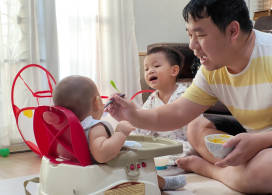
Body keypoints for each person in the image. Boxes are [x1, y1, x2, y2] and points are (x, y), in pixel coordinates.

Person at [107, 0, 272, 194]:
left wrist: (261, 141)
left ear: (233, 30)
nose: (192, 45)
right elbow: (176, 113)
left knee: (266, 169)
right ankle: (236, 168)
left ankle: (211, 168)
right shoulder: (211, 68)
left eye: (200, 35)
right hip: (261, 136)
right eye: (189, 35)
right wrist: (132, 113)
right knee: (195, 125)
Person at [52, 75, 186, 191]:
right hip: (101, 174)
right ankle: (161, 183)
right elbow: (102, 154)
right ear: (97, 102)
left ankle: (161, 182)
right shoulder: (95, 127)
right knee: (135, 161)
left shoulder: (63, 130)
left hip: (75, 174)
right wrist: (120, 133)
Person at [135, 46, 195, 163]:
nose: (150, 71)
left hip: (182, 145)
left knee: (189, 151)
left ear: (174, 71)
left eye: (156, 66)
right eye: (146, 69)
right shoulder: (152, 99)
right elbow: (142, 125)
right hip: (160, 146)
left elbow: (194, 131)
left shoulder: (185, 96)